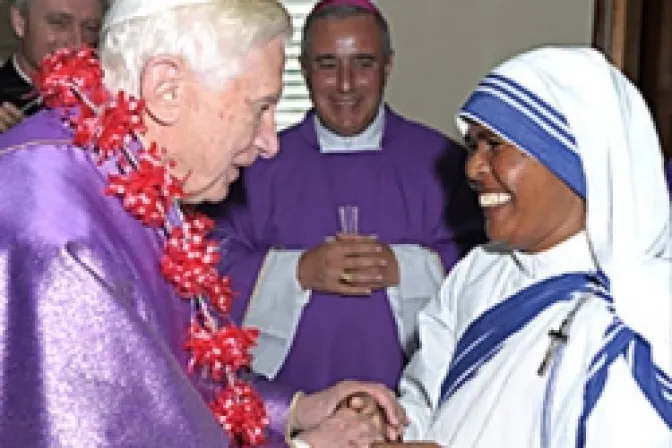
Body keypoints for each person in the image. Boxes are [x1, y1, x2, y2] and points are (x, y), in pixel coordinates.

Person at [0, 0, 406, 446]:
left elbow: (170, 388)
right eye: (260, 108)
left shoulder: (132, 178)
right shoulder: (56, 225)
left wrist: (293, 411)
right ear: (166, 90)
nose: (270, 142)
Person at [370, 46, 672, 447]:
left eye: (494, 146)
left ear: (571, 159)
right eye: (474, 146)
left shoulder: (641, 316)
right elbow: (429, 403)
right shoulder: (479, 271)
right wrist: (388, 425)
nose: (472, 168)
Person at [213, 0, 484, 394]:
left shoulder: (444, 164)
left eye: (363, 63)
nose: (345, 84)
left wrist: (404, 268)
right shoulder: (251, 165)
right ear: (303, 70)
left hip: (410, 406)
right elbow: (210, 267)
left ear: (387, 66)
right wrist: (298, 271)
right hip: (289, 406)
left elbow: (484, 270)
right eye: (327, 65)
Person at [0, 0, 106, 133]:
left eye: (91, 28)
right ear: (20, 22)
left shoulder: (109, 99)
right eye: (59, 22)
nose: (77, 43)